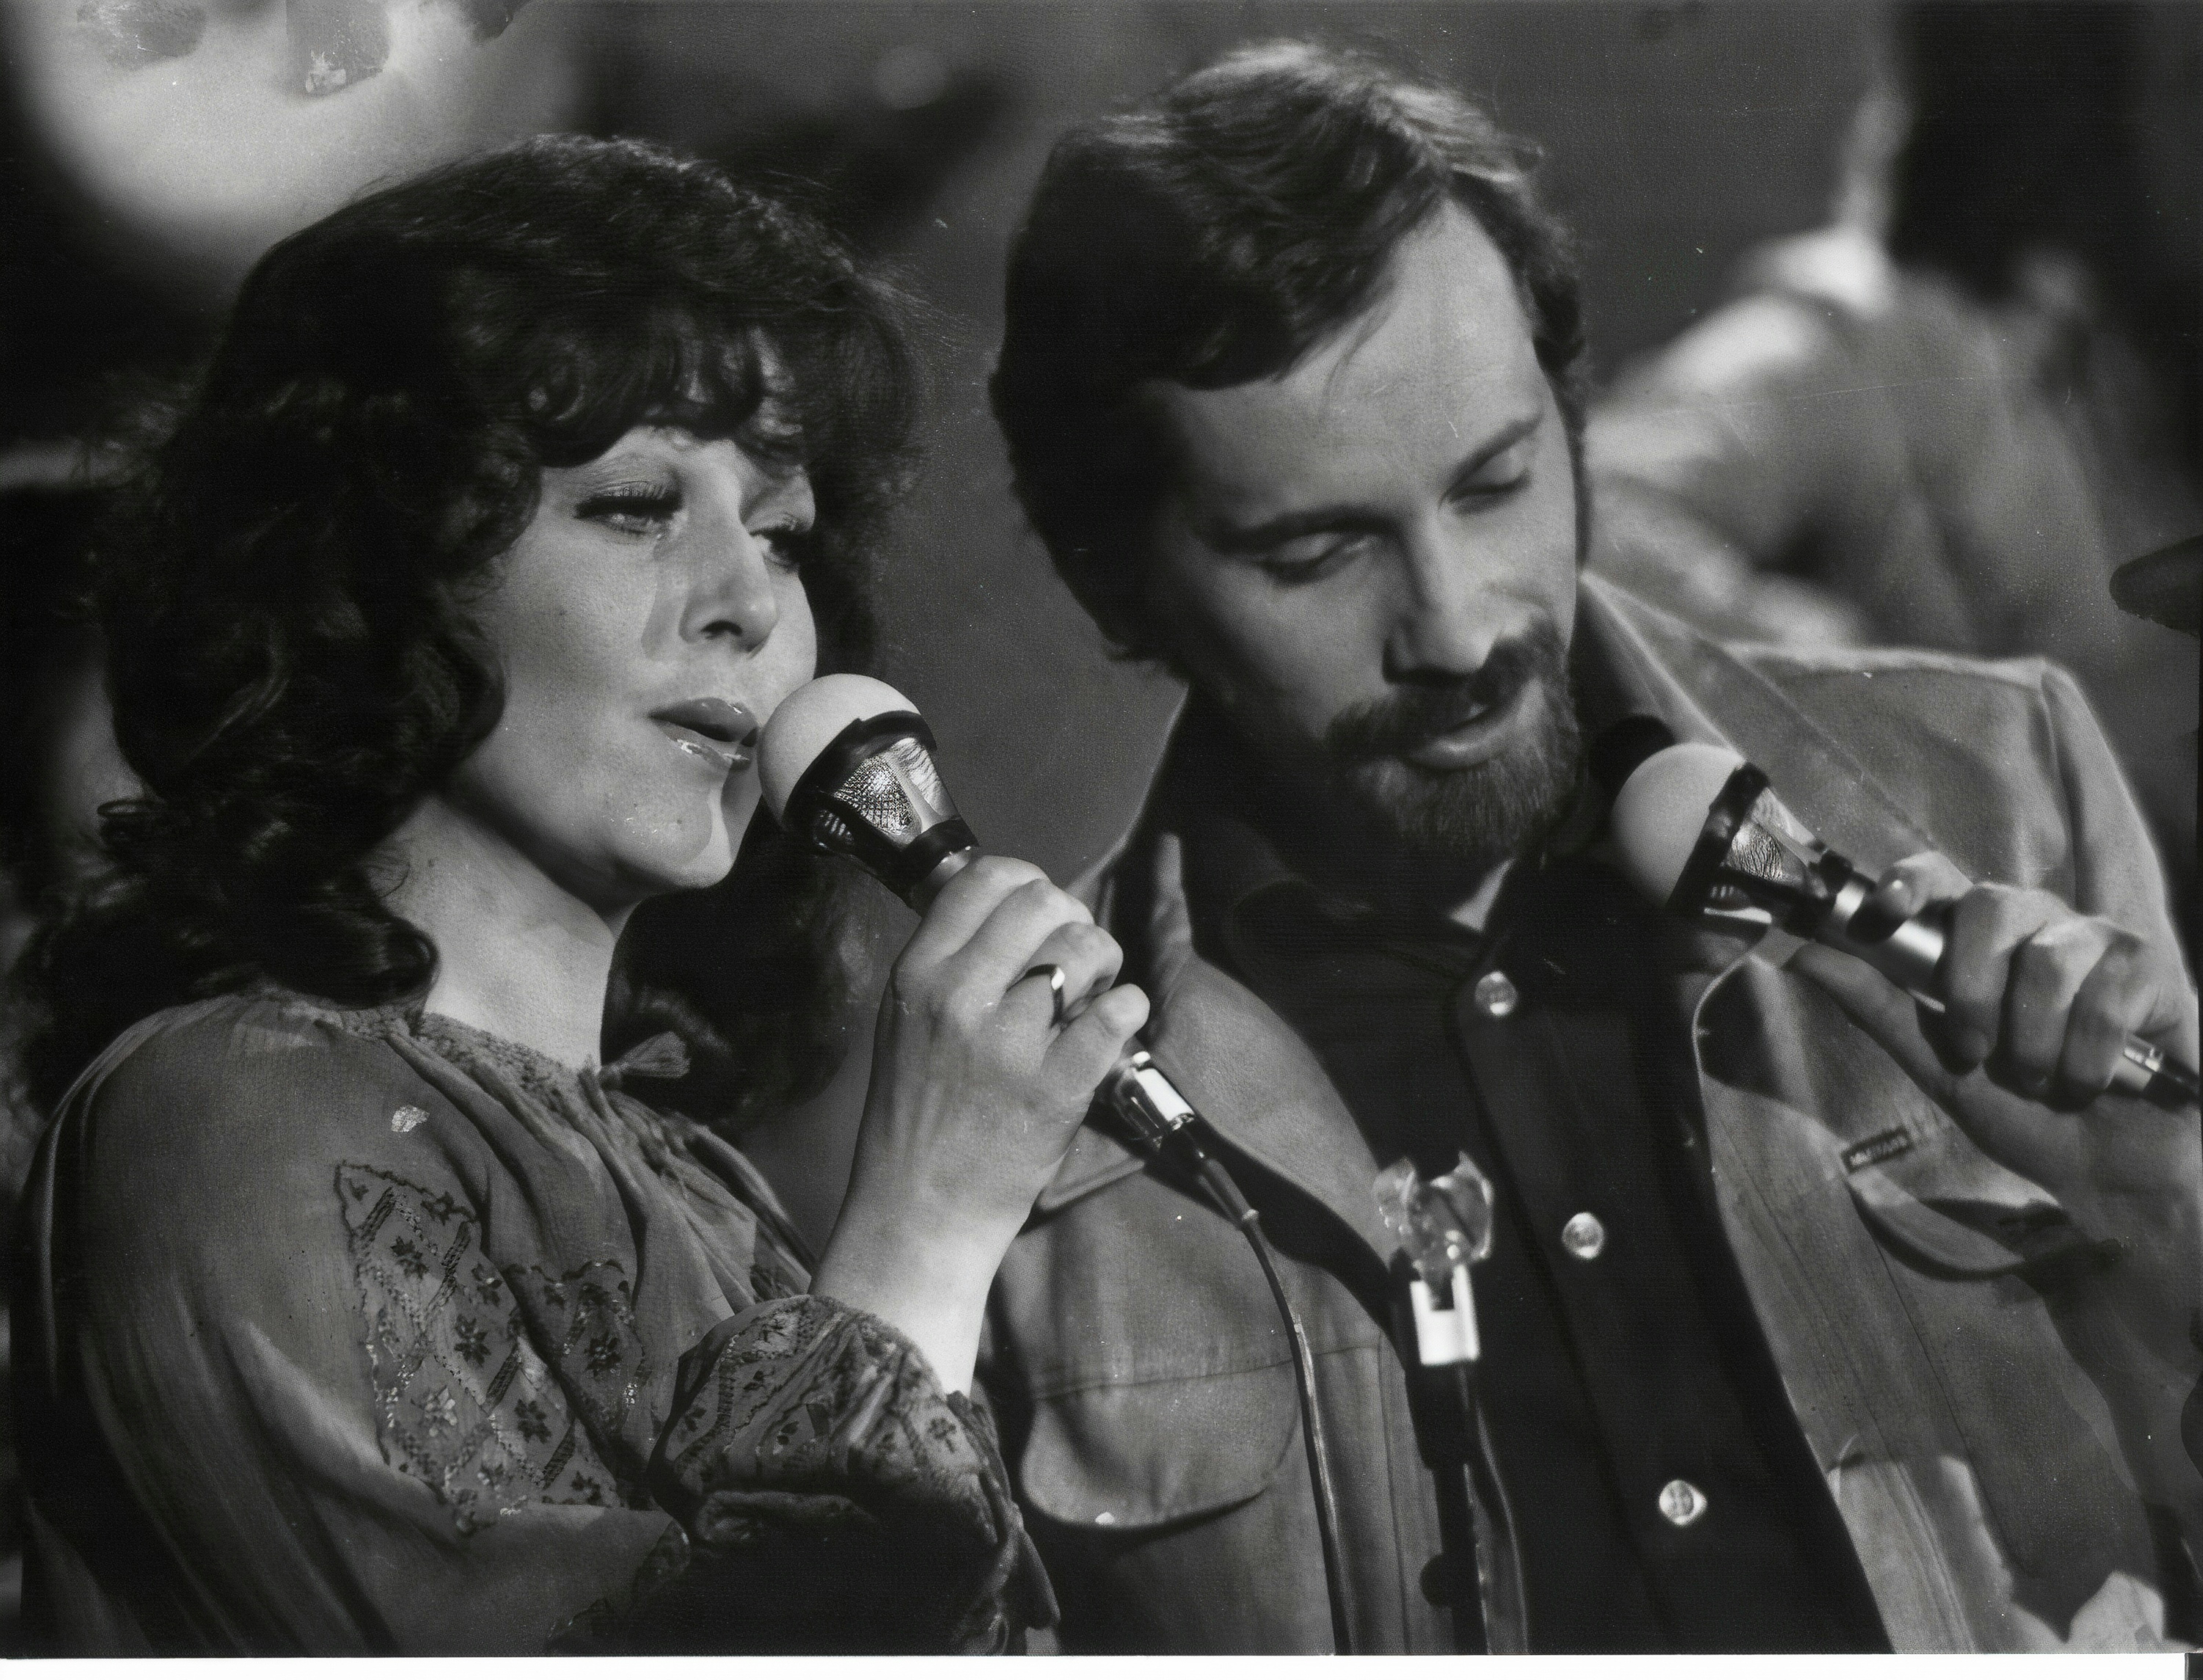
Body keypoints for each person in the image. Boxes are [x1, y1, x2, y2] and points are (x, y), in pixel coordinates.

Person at [983, 41, 2202, 1653]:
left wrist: (2182, 1219)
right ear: (1114, 584)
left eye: (1498, 485)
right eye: (1318, 551)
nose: (1462, 626)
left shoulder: (1999, 780)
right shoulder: (1025, 1116)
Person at [11, 135, 1148, 1655]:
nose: (751, 600)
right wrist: (924, 1242)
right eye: (633, 505)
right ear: (384, 565)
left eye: (784, 528)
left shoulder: (695, 1179)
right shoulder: (231, 1114)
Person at [1586, 1, 2200, 949]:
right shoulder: (1865, 340)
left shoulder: (2134, 345)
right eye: (2191, 86)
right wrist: (1912, 706)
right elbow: (1591, 512)